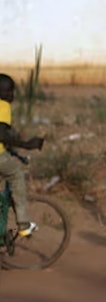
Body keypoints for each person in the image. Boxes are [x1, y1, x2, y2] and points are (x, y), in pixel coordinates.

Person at [0, 74, 44, 238]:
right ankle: (24, 225)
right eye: (8, 91)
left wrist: (13, 151)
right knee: (17, 174)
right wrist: (28, 145)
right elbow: (1, 135)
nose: (12, 95)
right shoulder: (3, 106)